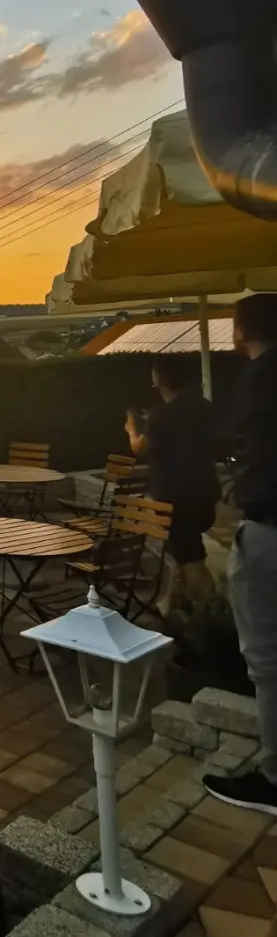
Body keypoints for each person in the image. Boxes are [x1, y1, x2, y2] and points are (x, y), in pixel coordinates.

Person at [203, 293, 277, 815]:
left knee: (267, 659)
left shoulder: (260, 379)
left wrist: (238, 495)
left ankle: (275, 778)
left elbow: (254, 455)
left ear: (244, 329)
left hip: (270, 529)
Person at [124, 357, 219, 605]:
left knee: (190, 555)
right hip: (206, 490)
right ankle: (178, 603)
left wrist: (132, 429)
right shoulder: (204, 407)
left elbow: (140, 447)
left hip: (176, 494)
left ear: (159, 380)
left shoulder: (162, 415)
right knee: (183, 550)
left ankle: (211, 611)